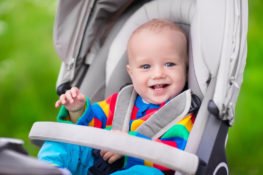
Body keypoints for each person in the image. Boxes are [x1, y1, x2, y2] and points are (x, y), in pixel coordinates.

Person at [38, 19, 193, 175]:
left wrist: (130, 145)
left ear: (185, 69)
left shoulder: (181, 115)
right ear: (131, 73)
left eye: (169, 64)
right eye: (146, 67)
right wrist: (77, 110)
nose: (158, 74)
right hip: (92, 164)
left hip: (135, 170)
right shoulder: (120, 102)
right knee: (64, 138)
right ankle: (49, 170)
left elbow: (173, 157)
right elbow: (91, 126)